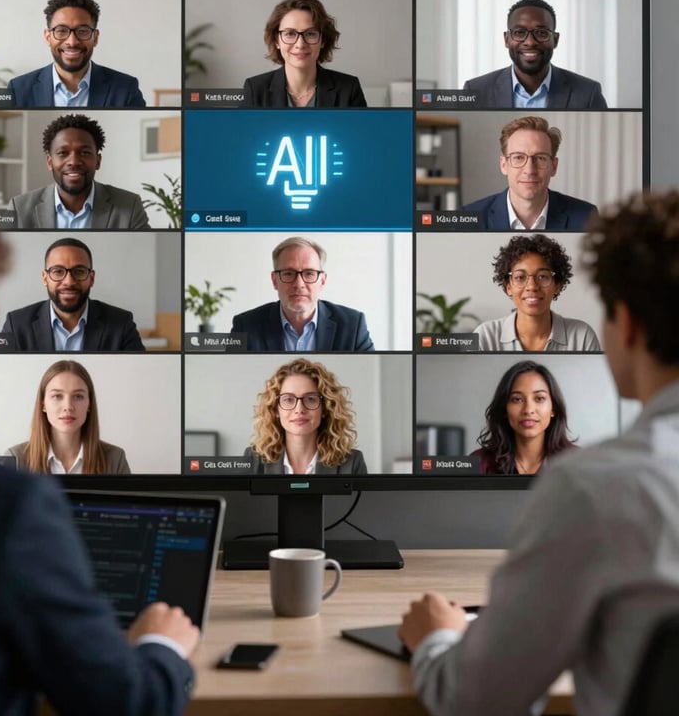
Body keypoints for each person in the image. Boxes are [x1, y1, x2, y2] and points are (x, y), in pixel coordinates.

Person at [399, 190, 679, 716]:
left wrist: (439, 638)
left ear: (630, 325)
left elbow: (479, 701)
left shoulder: (592, 487)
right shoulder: (489, 342)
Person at [0, 205, 198, 716]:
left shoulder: (106, 445)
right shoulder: (7, 504)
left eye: (79, 396)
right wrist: (163, 645)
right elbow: (125, 703)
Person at [1, 237, 146, 352]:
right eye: (58, 271)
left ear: (92, 278)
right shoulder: (17, 324)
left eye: (79, 271)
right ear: (45, 278)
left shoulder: (122, 324)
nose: (69, 282)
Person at [230, 236, 374, 351]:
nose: (299, 284)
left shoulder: (352, 325)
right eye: (288, 273)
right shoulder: (245, 326)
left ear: (322, 281)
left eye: (309, 273)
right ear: (275, 280)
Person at [8, 114, 150, 229]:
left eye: (84, 153)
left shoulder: (129, 206)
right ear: (49, 162)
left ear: (98, 161)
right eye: (63, 153)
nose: (74, 161)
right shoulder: (19, 208)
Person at [462, 0, 607, 109]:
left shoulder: (588, 93)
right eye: (519, 32)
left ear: (555, 40)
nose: (530, 42)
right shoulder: (475, 90)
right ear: (506, 39)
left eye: (541, 33)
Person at [8, 0, 146, 108]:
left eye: (82, 31)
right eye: (61, 31)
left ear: (95, 37)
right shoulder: (18, 90)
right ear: (48, 37)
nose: (72, 42)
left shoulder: (126, 88)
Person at [462, 116, 597, 230]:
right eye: (518, 157)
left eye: (540, 158)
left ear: (554, 166)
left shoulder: (586, 217)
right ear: (504, 165)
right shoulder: (467, 218)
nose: (530, 170)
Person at [474, 233, 600, 352]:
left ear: (557, 285)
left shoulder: (582, 336)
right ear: (508, 287)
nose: (532, 286)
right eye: (520, 277)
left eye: (542, 276)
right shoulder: (484, 336)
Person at [244, 358, 367, 474]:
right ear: (276, 409)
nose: (299, 409)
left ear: (325, 408)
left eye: (310, 399)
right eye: (288, 400)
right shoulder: (253, 459)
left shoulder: (352, 462)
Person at [7, 359, 130, 474]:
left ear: (89, 404)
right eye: (57, 396)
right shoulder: (15, 458)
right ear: (43, 405)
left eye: (78, 396)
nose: (68, 406)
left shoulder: (115, 458)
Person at [243, 0, 366, 108]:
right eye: (290, 34)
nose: (300, 44)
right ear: (276, 41)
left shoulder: (349, 88)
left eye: (310, 34)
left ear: (323, 40)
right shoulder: (254, 89)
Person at [472, 360, 575, 475]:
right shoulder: (480, 462)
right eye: (517, 399)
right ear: (504, 408)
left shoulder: (578, 462)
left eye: (539, 398)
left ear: (553, 408)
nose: (528, 410)